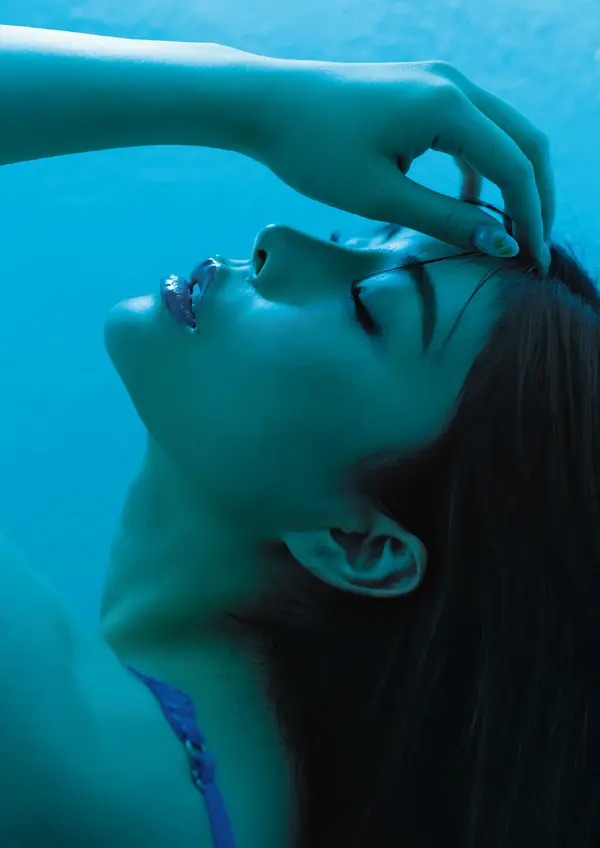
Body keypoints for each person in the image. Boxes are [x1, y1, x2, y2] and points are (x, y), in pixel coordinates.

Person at [1, 23, 594, 848]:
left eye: (364, 310)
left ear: (359, 542)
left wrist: (252, 98)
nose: (277, 243)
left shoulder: (69, 744)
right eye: (353, 241)